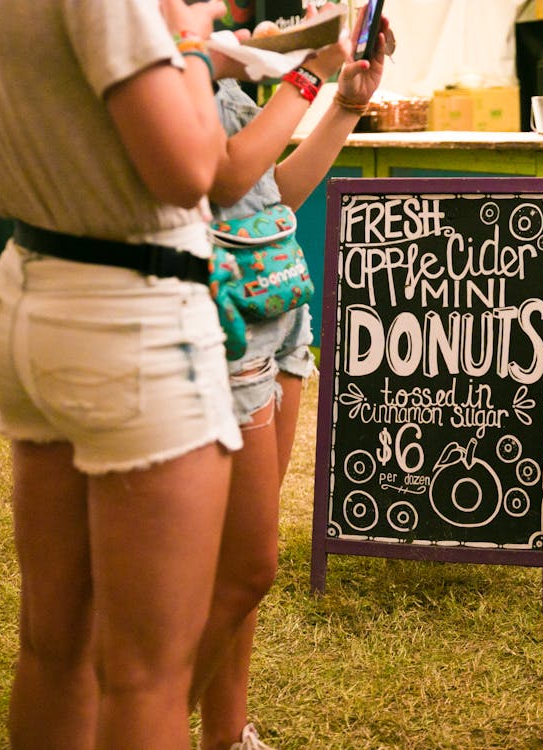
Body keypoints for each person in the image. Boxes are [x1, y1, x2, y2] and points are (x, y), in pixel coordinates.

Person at [0, 1, 241, 748]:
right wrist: (194, 46)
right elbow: (189, 169)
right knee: (146, 677)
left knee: (51, 644)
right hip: (130, 308)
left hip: (30, 285)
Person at [187, 6, 389, 750]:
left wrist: (345, 105)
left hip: (281, 311)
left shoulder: (217, 59)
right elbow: (225, 176)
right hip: (226, 321)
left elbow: (273, 191)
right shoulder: (172, 66)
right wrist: (309, 72)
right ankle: (142, 724)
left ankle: (227, 734)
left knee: (242, 570)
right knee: (235, 566)